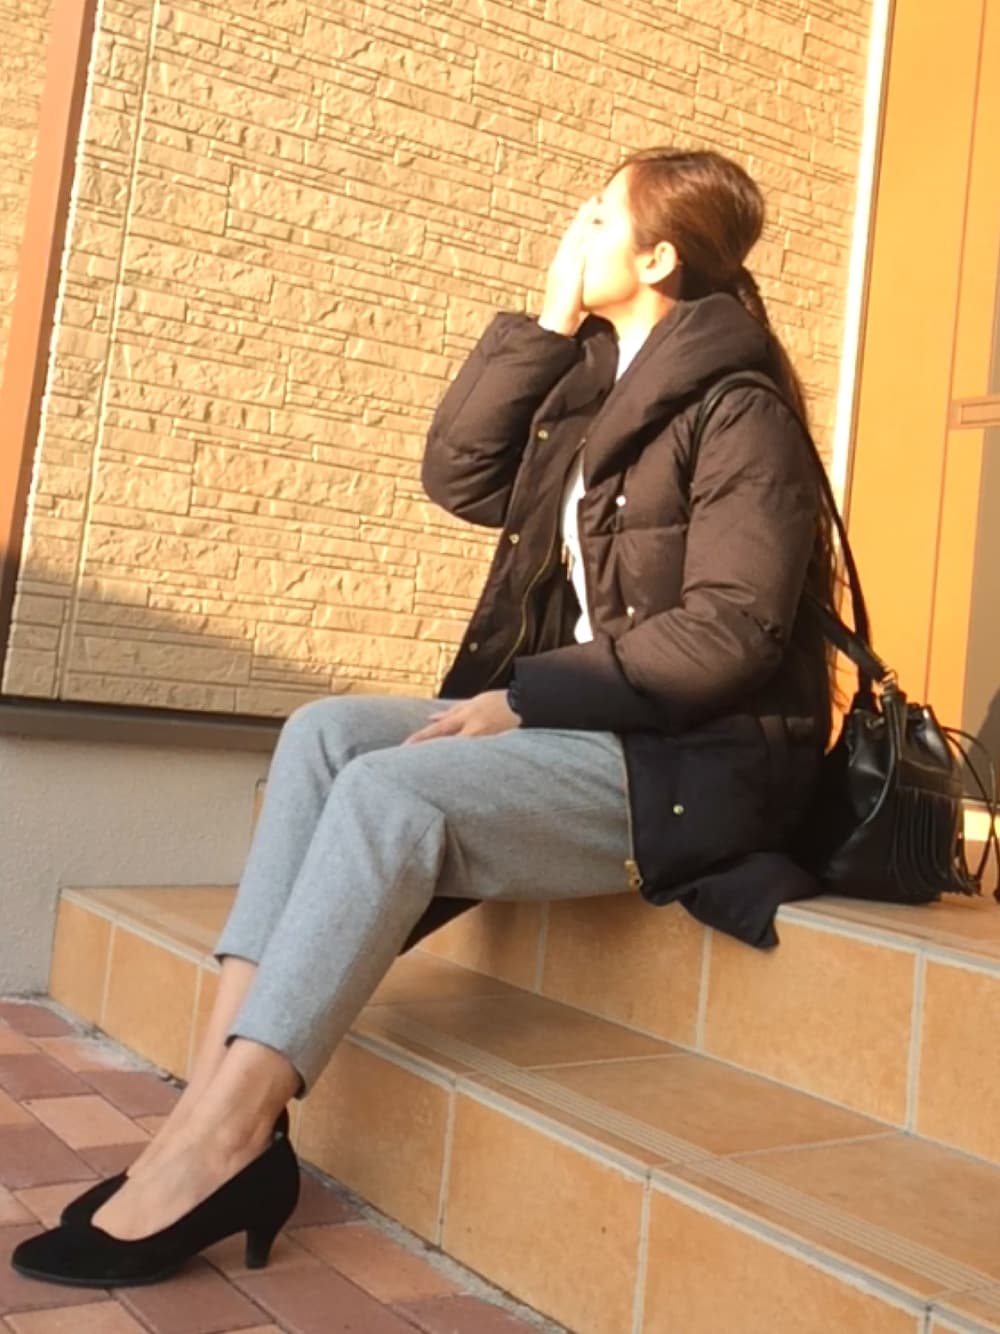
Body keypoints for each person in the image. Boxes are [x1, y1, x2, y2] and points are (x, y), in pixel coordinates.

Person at [10, 146, 838, 1288]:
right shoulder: (599, 382)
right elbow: (462, 476)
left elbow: (730, 632)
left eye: (600, 215)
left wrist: (522, 696)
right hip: (592, 728)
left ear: (658, 258)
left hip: (692, 763)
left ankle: (222, 1140)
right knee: (323, 734)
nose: (576, 226)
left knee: (389, 788)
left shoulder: (741, 412)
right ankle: (212, 1104)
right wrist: (546, 322)